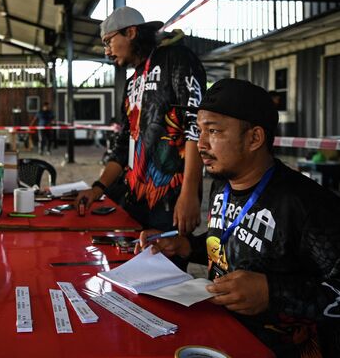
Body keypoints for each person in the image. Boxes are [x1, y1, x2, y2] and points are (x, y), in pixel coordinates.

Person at [139, 79, 340, 357]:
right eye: (199, 130)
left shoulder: (308, 206)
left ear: (254, 138)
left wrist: (273, 293)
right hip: (220, 334)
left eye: (214, 131)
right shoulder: (223, 184)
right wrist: (187, 246)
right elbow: (232, 242)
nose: (201, 144)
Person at [76, 6, 205, 237]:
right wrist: (98, 188)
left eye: (108, 41)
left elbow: (196, 128)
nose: (107, 51)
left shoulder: (176, 59)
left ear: (131, 33)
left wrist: (189, 194)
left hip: (170, 202)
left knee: (167, 268)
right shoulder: (131, 82)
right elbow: (124, 142)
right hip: (135, 199)